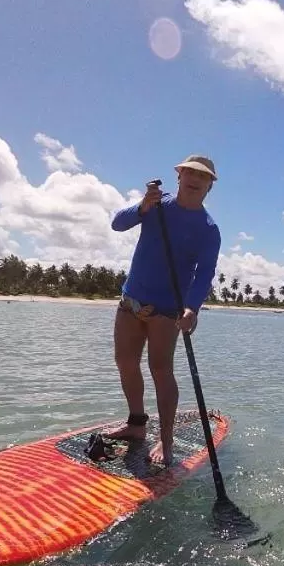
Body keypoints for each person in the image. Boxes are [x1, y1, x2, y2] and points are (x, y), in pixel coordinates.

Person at [103, 154, 221, 467]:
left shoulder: (209, 229)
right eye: (190, 172)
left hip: (167, 311)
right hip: (130, 302)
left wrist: (192, 308)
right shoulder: (156, 205)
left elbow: (204, 274)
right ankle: (136, 424)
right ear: (179, 176)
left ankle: (165, 440)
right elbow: (117, 224)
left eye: (203, 176)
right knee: (125, 362)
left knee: (160, 370)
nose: (195, 179)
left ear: (210, 186)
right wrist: (142, 206)